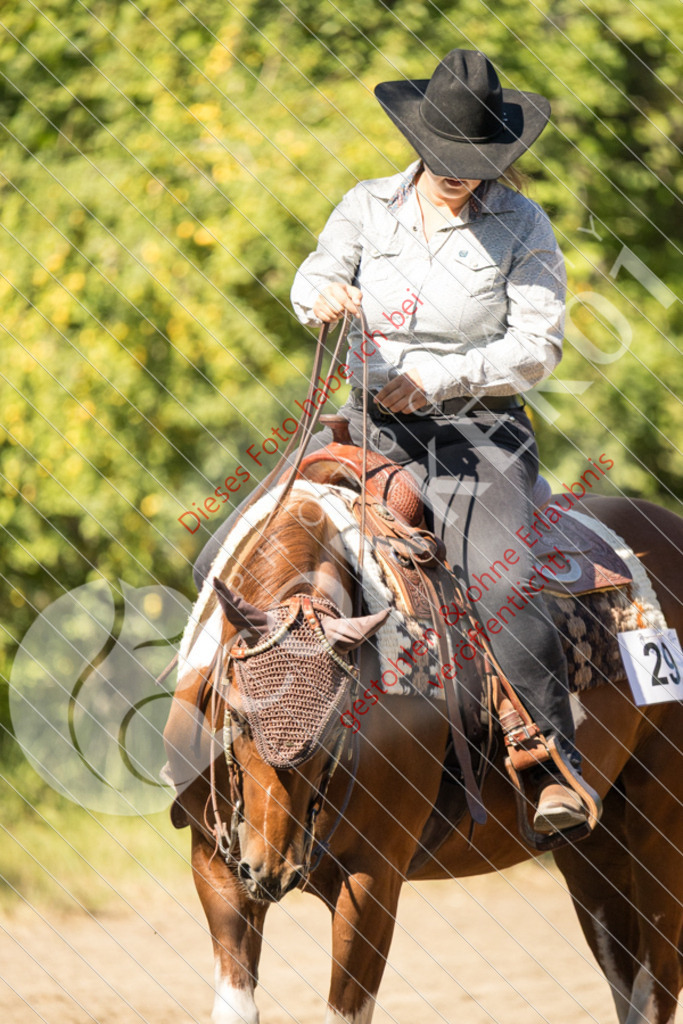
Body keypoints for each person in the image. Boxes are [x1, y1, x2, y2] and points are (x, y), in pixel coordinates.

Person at [287, 48, 592, 835]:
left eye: (476, 162)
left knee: (501, 577)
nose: (461, 174)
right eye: (447, 159)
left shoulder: (522, 223)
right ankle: (233, 731)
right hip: (365, 431)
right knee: (245, 549)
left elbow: (536, 347)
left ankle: (545, 755)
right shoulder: (365, 205)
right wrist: (321, 295)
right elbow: (312, 276)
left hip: (475, 435)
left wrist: (436, 379)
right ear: (418, 143)